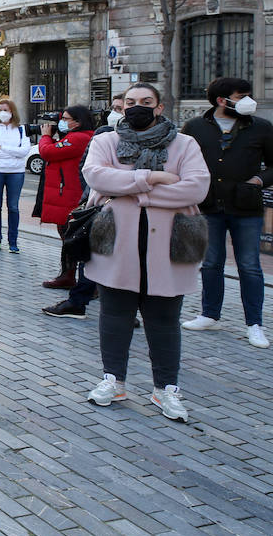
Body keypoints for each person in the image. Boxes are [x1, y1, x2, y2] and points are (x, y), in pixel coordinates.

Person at [81, 82, 209, 422]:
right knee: (114, 316)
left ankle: (165, 388)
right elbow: (95, 176)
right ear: (122, 107)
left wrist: (137, 194)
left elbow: (196, 187)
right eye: (131, 102)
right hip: (116, 244)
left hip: (169, 246)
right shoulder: (106, 141)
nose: (137, 107)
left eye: (146, 102)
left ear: (159, 107)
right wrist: (154, 177)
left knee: (164, 320)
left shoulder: (185, 144)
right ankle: (114, 380)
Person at [180, 77, 273, 349]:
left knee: (250, 266)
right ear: (222, 100)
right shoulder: (195, 127)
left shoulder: (260, 127)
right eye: (242, 96)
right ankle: (209, 314)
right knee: (211, 262)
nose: (249, 101)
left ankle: (255, 324)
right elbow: (179, 159)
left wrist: (259, 180)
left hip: (246, 206)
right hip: (208, 206)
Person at [44, 94, 126, 319]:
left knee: (118, 258)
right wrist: (92, 196)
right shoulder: (102, 135)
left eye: (122, 108)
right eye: (117, 107)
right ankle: (78, 300)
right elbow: (86, 169)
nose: (118, 113)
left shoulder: (150, 138)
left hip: (130, 210)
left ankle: (124, 309)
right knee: (91, 254)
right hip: (101, 206)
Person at [36, 105, 96, 289]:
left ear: (78, 122)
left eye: (66, 119)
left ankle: (76, 279)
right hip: (68, 193)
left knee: (72, 237)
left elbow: (47, 152)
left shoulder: (79, 138)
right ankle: (68, 275)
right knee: (68, 236)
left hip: (70, 195)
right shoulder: (78, 136)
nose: (62, 122)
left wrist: (46, 136)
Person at [0, 98, 33, 253]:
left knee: (13, 207)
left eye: (6, 110)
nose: (3, 113)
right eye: (0, 110)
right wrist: (13, 152)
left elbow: (25, 151)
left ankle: (13, 241)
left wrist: (3, 148)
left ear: (12, 111)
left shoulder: (21, 129)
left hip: (15, 172)